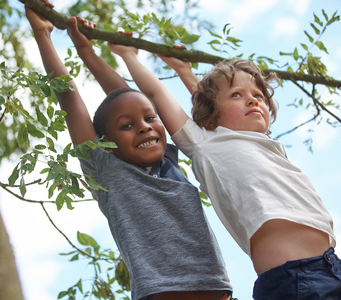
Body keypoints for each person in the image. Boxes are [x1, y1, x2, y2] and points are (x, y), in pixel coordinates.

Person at [25, 2, 233, 300]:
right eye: (127, 127)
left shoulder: (169, 164)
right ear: (105, 143)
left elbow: (128, 100)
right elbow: (70, 100)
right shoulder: (107, 170)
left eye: (151, 120)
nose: (145, 127)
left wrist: (88, 53)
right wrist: (42, 34)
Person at [108, 43, 339, 299]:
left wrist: (183, 67)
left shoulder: (270, 148)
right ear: (211, 117)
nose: (252, 99)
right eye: (237, 95)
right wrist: (128, 54)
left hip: (333, 266)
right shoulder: (207, 145)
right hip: (296, 278)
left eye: (259, 96)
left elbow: (218, 100)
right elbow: (157, 92)